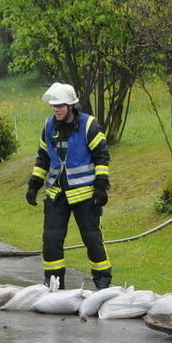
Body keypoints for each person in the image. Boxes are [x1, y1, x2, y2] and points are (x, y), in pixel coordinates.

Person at [25, 82, 112, 290]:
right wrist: (34, 185)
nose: (56, 110)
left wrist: (101, 186)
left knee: (92, 239)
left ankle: (103, 284)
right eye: (54, 106)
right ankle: (53, 284)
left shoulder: (89, 125)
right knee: (51, 240)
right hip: (57, 194)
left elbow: (101, 156)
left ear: (71, 106)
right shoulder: (48, 126)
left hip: (85, 195)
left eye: (60, 106)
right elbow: (43, 159)